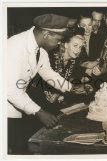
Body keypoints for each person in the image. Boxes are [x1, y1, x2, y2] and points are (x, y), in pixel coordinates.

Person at [7, 14, 88, 154]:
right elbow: (10, 90)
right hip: (6, 105)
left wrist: (70, 88)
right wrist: (39, 112)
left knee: (20, 144)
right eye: (58, 40)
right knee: (15, 148)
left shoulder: (40, 49)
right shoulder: (14, 48)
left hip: (16, 102)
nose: (59, 44)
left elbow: (47, 72)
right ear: (46, 34)